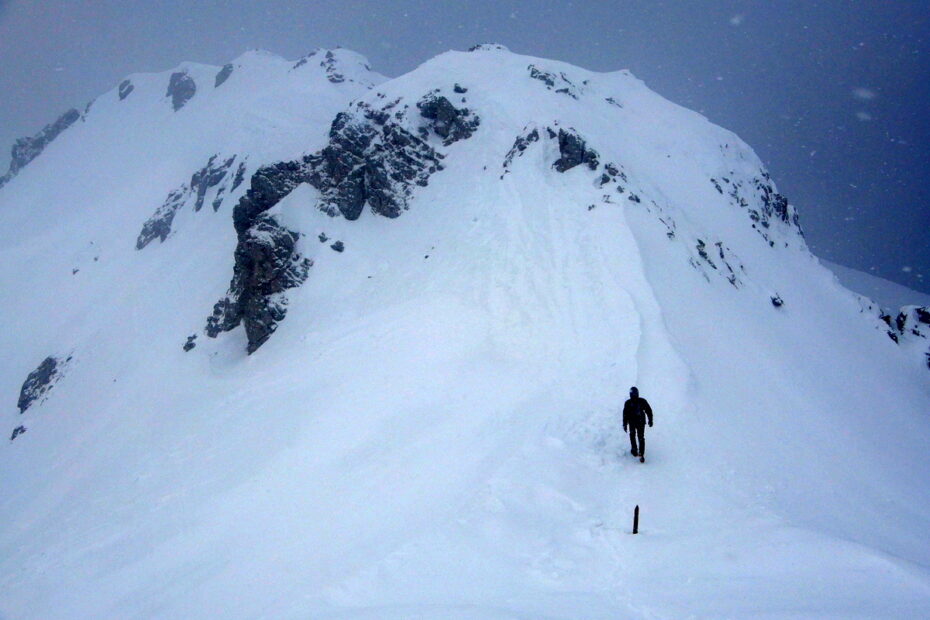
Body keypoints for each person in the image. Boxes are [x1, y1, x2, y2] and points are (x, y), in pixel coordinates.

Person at [623, 386, 653, 463]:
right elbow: (625, 414)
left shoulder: (636, 402)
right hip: (636, 422)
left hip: (638, 422)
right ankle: (637, 451)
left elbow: (648, 410)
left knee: (637, 436)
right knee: (637, 436)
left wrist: (650, 419)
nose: (634, 396)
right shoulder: (633, 402)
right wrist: (625, 424)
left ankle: (637, 451)